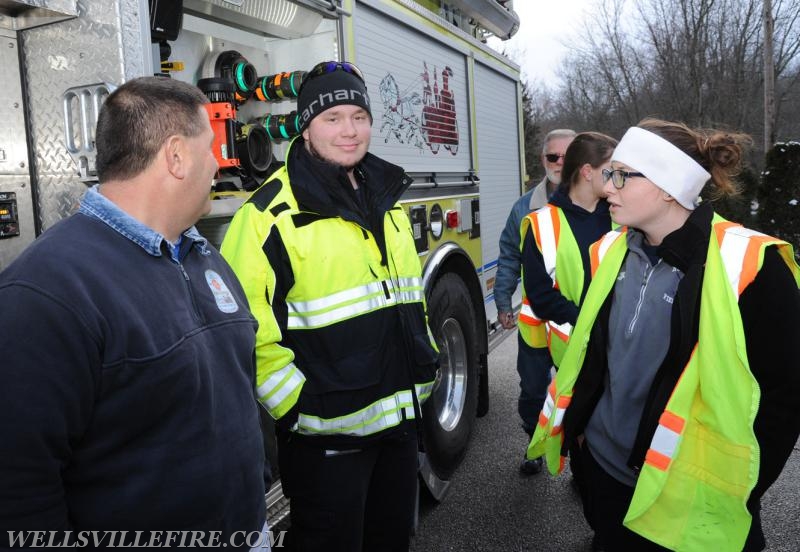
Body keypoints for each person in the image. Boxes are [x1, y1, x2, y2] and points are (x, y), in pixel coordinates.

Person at [0, 77, 267, 547]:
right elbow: (19, 485)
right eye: (211, 148)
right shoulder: (47, 292)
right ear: (177, 156)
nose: (218, 163)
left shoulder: (204, 257)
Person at [528, 119, 800, 551]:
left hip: (689, 495)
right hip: (603, 473)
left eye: (621, 175)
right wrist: (583, 436)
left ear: (669, 186)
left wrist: (740, 487)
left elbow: (784, 397)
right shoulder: (609, 250)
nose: (606, 188)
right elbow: (597, 354)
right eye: (608, 174)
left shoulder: (750, 266)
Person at [221, 61, 438, 552]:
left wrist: (424, 367)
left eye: (358, 116)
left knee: (392, 540)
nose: (349, 130)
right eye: (333, 117)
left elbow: (407, 298)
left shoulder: (387, 197)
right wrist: (299, 407)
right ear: (306, 125)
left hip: (400, 425)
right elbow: (244, 331)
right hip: (327, 442)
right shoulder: (266, 216)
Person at [519, 131, 617, 478]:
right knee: (552, 405)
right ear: (588, 172)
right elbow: (541, 294)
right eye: (611, 170)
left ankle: (589, 475)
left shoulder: (620, 217)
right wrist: (587, 321)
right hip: (563, 343)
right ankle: (547, 448)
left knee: (601, 419)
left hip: (611, 341)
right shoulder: (541, 223)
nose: (617, 179)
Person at [494, 128, 575, 475]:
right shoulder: (524, 208)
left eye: (567, 156)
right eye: (552, 156)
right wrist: (502, 302)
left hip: (579, 321)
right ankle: (534, 444)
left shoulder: (602, 205)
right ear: (543, 160)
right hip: (536, 326)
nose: (560, 163)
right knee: (532, 391)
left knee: (582, 389)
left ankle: (582, 461)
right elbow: (509, 256)